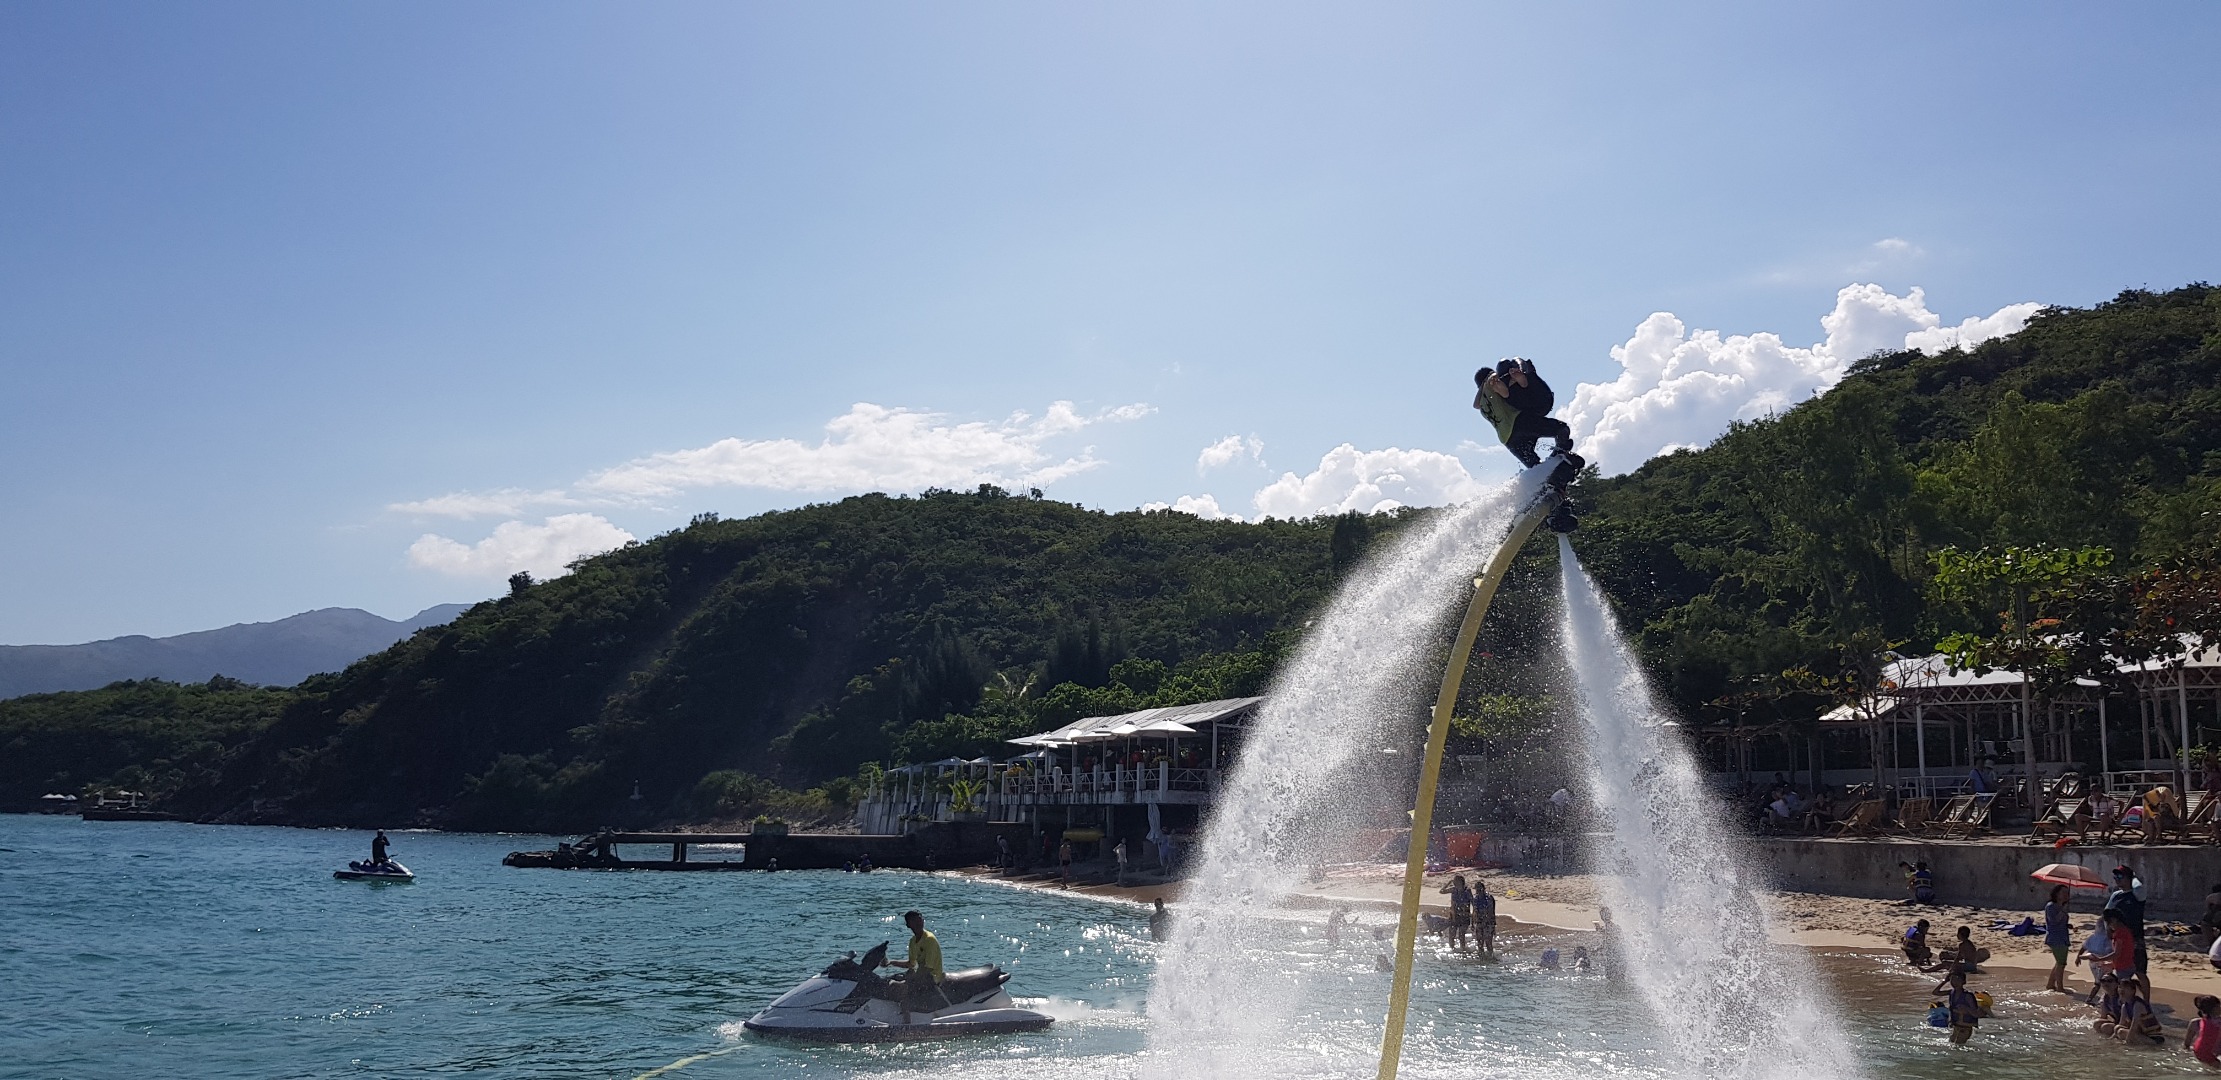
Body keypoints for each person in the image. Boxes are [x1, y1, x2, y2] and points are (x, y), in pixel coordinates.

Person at [1472, 361, 1575, 469]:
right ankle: (1559, 456)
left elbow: (1475, 405)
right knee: (1561, 430)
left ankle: (1544, 480)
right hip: (1520, 423)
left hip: (1509, 441)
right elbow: (1505, 391)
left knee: (1536, 468)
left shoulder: (1481, 403)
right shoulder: (1492, 380)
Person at [885, 910, 946, 1024]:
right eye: (914, 921)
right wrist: (891, 962)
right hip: (922, 975)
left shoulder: (929, 940)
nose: (919, 923)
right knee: (891, 980)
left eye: (920, 920)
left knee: (902, 987)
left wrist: (908, 981)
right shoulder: (913, 941)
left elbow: (928, 969)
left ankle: (907, 1022)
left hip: (932, 977)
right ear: (908, 925)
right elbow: (911, 964)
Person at [2107, 864, 2150, 994]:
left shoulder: (2137, 894)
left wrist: (2134, 876)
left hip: (2135, 938)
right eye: (2115, 877)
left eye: (2120, 876)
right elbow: (2107, 913)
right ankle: (2123, 1000)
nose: (2117, 879)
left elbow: (2139, 886)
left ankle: (2146, 1002)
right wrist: (2108, 931)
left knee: (2140, 972)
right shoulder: (2116, 895)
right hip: (2119, 938)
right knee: (2121, 972)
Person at [2043, 883, 2074, 992]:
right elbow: (2053, 921)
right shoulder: (2051, 906)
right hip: (2056, 938)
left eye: (2067, 893)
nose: (2066, 895)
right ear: (2057, 894)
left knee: (2058, 962)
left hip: (2063, 937)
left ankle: (2050, 984)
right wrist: (2062, 911)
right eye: (2063, 892)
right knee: (2061, 963)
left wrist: (2068, 924)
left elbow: (2060, 922)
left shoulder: (2061, 907)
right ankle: (2060, 987)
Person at [1937, 968, 1980, 1045]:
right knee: (1952, 1045)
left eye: (1957, 980)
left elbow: (1976, 1014)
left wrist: (1966, 1009)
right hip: (1956, 1027)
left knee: (1957, 1047)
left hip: (1965, 1028)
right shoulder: (1951, 992)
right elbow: (1935, 992)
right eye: (1952, 980)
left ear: (1963, 982)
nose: (1954, 982)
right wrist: (1945, 981)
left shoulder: (1968, 996)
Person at [1440, 875, 1475, 953]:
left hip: (1464, 915)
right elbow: (1441, 891)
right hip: (1454, 916)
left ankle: (1463, 950)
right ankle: (1452, 950)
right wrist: (1448, 883)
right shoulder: (1453, 890)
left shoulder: (1467, 891)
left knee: (1461, 935)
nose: (1455, 882)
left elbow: (1473, 903)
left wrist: (1473, 918)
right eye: (1454, 881)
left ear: (1461, 882)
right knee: (1452, 934)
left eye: (1456, 881)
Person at [2190, 994, 2221, 1066]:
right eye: (2219, 1006)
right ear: (2215, 1008)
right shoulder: (2218, 1023)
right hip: (2209, 1052)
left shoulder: (2201, 1021)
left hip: (2198, 1051)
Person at [1475, 880, 1499, 960]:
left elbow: (1490, 911)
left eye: (1480, 889)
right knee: (1480, 943)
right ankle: (1481, 957)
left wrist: (1486, 922)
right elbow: (1474, 911)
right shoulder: (1476, 898)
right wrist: (1472, 923)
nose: (1478, 891)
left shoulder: (1488, 898)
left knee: (1488, 942)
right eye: (1477, 889)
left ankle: (1491, 957)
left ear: (1483, 889)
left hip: (1489, 923)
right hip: (1479, 922)